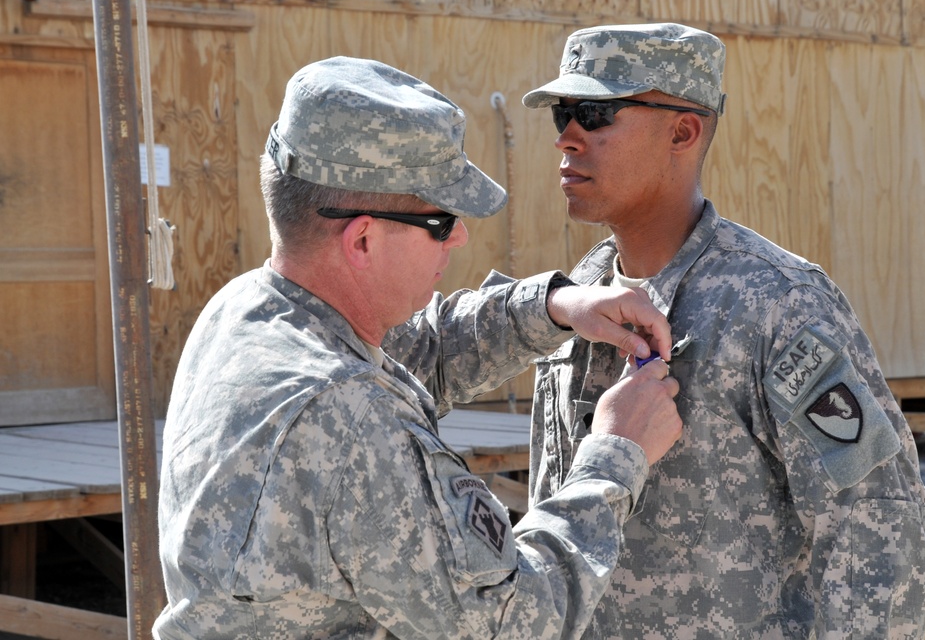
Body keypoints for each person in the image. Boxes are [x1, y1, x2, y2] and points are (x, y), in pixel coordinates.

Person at [153, 56, 685, 639]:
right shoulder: (352, 418)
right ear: (362, 237)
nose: (458, 236)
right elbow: (512, 621)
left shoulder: (250, 308)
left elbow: (417, 349)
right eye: (440, 221)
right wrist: (616, 453)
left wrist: (556, 306)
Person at [519, 23, 925, 638]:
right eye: (562, 114)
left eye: (595, 112)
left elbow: (879, 539)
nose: (569, 139)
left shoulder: (776, 304)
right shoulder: (577, 300)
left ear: (682, 131)